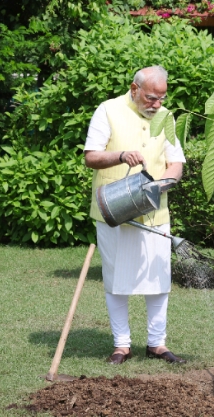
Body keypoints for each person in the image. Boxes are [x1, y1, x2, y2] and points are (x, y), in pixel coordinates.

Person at [83, 65, 187, 364]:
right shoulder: (108, 110)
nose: (157, 104)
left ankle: (157, 344)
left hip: (155, 212)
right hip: (113, 211)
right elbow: (91, 157)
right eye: (151, 98)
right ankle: (121, 345)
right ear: (134, 89)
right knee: (116, 279)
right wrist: (120, 155)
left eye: (162, 98)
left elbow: (176, 163)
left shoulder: (166, 117)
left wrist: (160, 185)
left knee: (159, 279)